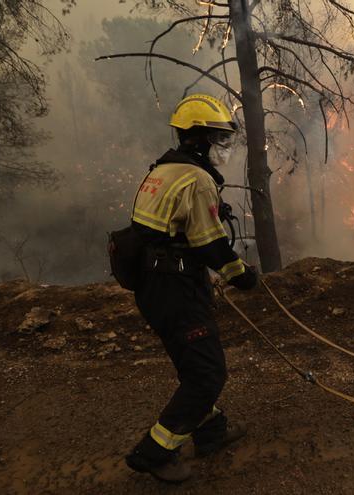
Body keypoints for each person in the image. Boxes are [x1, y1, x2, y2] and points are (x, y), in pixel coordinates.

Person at [124, 93, 258, 483]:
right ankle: (153, 452)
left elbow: (170, 228)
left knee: (194, 364)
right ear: (198, 139)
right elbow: (211, 245)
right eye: (219, 139)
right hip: (174, 287)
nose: (225, 148)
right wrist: (242, 275)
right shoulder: (197, 180)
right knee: (207, 374)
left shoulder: (163, 170)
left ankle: (211, 433)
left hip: (157, 285)